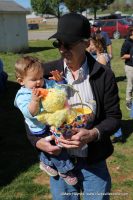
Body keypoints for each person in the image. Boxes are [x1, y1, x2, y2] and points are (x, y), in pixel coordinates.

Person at [25, 13, 121, 200]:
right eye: (58, 43)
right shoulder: (44, 73)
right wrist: (37, 142)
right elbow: (29, 113)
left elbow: (114, 117)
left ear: (86, 43)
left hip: (93, 161)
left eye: (67, 44)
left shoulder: (104, 75)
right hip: (60, 163)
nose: (62, 49)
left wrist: (93, 134)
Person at [14, 55, 78, 186]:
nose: (39, 82)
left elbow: (58, 93)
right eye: (33, 80)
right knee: (56, 149)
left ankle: (45, 162)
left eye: (40, 78)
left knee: (59, 144)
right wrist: (34, 101)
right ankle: (65, 170)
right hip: (38, 128)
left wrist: (59, 82)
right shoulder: (22, 96)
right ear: (21, 81)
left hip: (52, 123)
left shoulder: (46, 84)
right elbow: (29, 113)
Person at [121, 27, 133, 110]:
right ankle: (128, 101)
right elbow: (122, 56)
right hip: (130, 67)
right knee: (130, 85)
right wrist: (132, 56)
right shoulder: (127, 42)